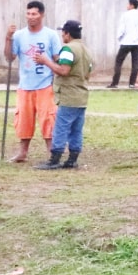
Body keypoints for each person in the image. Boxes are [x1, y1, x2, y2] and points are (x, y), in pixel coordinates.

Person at [4, 0, 62, 164]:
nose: (31, 17)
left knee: (48, 119)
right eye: (28, 14)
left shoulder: (50, 35)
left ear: (42, 15)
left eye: (34, 14)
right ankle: (22, 152)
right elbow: (9, 57)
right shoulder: (19, 35)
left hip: (45, 85)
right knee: (23, 119)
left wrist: (62, 67)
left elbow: (57, 57)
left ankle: (52, 152)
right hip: (25, 85)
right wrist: (8, 38)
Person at [33, 19, 93, 170]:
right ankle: (72, 159)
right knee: (76, 129)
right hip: (81, 96)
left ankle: (55, 159)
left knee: (61, 128)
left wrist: (46, 61)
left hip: (68, 96)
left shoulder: (68, 49)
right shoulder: (85, 49)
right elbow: (88, 73)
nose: (62, 36)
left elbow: (64, 71)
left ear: (67, 34)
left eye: (63, 33)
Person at [110, 0, 138, 89]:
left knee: (119, 62)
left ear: (131, 5)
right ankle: (131, 83)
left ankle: (115, 83)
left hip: (126, 42)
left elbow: (121, 28)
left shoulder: (125, 15)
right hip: (136, 43)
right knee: (135, 63)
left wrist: (120, 38)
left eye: (128, 4)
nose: (127, 6)